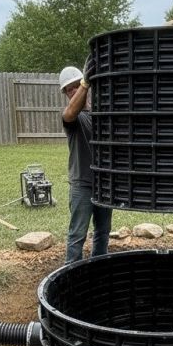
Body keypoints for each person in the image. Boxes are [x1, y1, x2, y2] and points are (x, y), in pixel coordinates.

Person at [59, 60, 112, 263]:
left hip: (104, 186)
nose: (72, 91)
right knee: (77, 235)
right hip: (82, 185)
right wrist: (85, 83)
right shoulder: (71, 118)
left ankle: (98, 270)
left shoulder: (100, 116)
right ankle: (70, 273)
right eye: (68, 90)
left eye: (75, 86)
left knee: (103, 232)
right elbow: (71, 112)